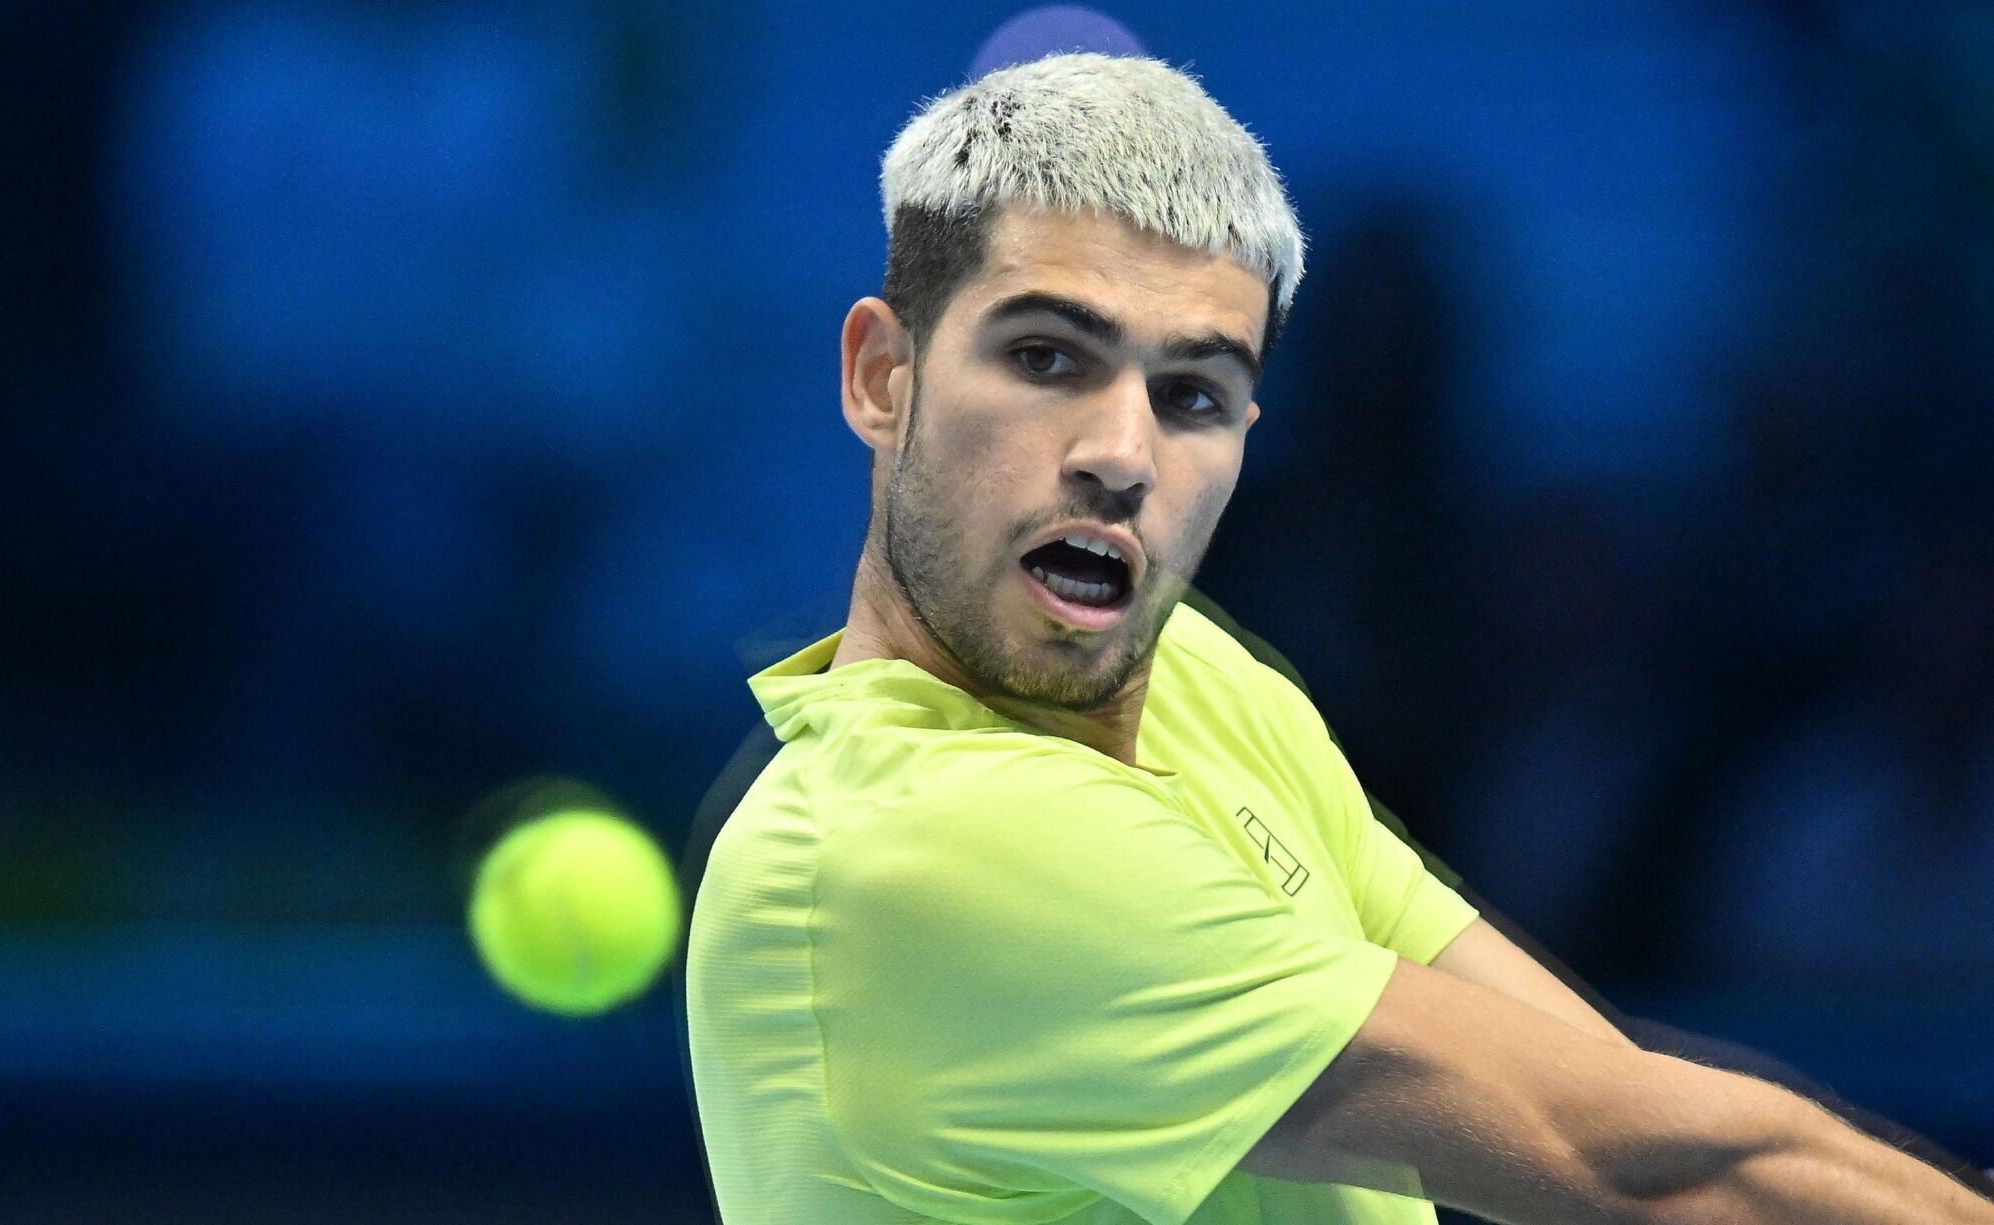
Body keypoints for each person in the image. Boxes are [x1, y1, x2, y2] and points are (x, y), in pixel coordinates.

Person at [682, 53, 1994, 1225]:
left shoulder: (1195, 677)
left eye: (1193, 392)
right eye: (1046, 359)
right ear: (882, 375)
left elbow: (1609, 1102)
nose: (1123, 456)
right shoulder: (916, 850)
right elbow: (1634, 1163)